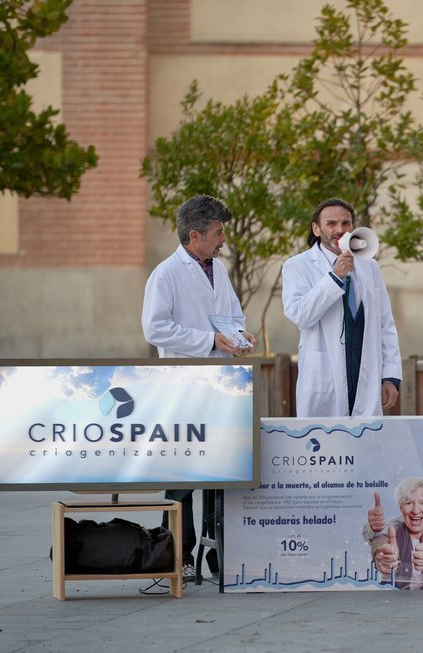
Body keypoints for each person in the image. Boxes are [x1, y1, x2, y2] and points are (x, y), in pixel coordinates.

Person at [142, 194, 255, 580]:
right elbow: (155, 328)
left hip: (219, 385)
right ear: (195, 235)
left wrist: (238, 335)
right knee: (182, 477)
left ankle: (217, 555)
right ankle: (179, 556)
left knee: (219, 471)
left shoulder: (217, 269)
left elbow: (232, 314)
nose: (223, 239)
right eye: (218, 232)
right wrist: (209, 340)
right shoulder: (165, 274)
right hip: (182, 386)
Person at [282, 198, 401, 417]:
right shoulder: (297, 266)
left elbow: (385, 323)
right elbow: (300, 314)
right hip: (325, 375)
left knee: (366, 443)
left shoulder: (370, 266)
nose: (340, 230)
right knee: (327, 447)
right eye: (331, 224)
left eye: (346, 224)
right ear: (316, 229)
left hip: (365, 374)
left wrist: (390, 376)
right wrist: (335, 277)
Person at [369, 476, 423, 589]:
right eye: (408, 503)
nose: (416, 511)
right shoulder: (392, 535)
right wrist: (385, 558)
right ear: (400, 507)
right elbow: (379, 540)